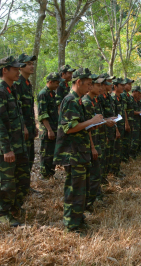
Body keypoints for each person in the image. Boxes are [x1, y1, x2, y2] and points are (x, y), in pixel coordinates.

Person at [53, 67, 104, 233]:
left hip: (80, 152)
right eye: (88, 84)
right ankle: (71, 223)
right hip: (72, 153)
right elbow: (69, 128)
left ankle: (78, 217)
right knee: (74, 189)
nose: (89, 87)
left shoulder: (78, 100)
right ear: (78, 82)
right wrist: (92, 120)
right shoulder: (71, 100)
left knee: (81, 188)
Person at [0, 56, 29, 227]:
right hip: (4, 148)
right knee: (5, 182)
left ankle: (14, 207)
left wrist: (23, 127)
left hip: (17, 145)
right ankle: (3, 212)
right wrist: (6, 149)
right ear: (5, 70)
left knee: (21, 180)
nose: (19, 71)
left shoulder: (11, 90)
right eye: (16, 68)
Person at [82, 75, 115, 210]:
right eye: (98, 85)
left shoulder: (94, 101)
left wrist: (106, 121)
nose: (101, 88)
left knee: (97, 171)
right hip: (91, 142)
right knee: (92, 174)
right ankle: (88, 203)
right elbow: (87, 127)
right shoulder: (86, 102)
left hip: (98, 138)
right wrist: (92, 146)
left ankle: (95, 197)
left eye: (102, 85)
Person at [14, 54, 39, 175]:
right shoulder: (17, 84)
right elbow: (17, 108)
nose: (32, 66)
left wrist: (33, 125)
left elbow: (29, 108)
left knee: (30, 157)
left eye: (32, 64)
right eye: (28, 64)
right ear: (21, 66)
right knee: (22, 159)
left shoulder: (28, 84)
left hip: (29, 127)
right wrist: (23, 127)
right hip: (21, 129)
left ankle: (26, 186)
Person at [38, 72, 63, 179]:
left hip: (54, 127)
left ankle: (50, 173)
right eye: (56, 83)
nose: (58, 85)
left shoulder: (52, 93)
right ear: (50, 82)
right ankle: (45, 175)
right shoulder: (43, 93)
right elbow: (43, 114)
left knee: (53, 152)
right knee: (46, 153)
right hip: (47, 129)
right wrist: (49, 130)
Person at [111, 78, 128, 177]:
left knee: (119, 149)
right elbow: (113, 115)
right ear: (115, 86)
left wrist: (126, 124)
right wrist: (116, 129)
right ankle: (114, 171)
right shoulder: (112, 98)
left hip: (121, 126)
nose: (123, 87)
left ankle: (117, 169)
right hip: (115, 128)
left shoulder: (120, 97)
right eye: (121, 85)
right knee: (115, 150)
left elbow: (123, 112)